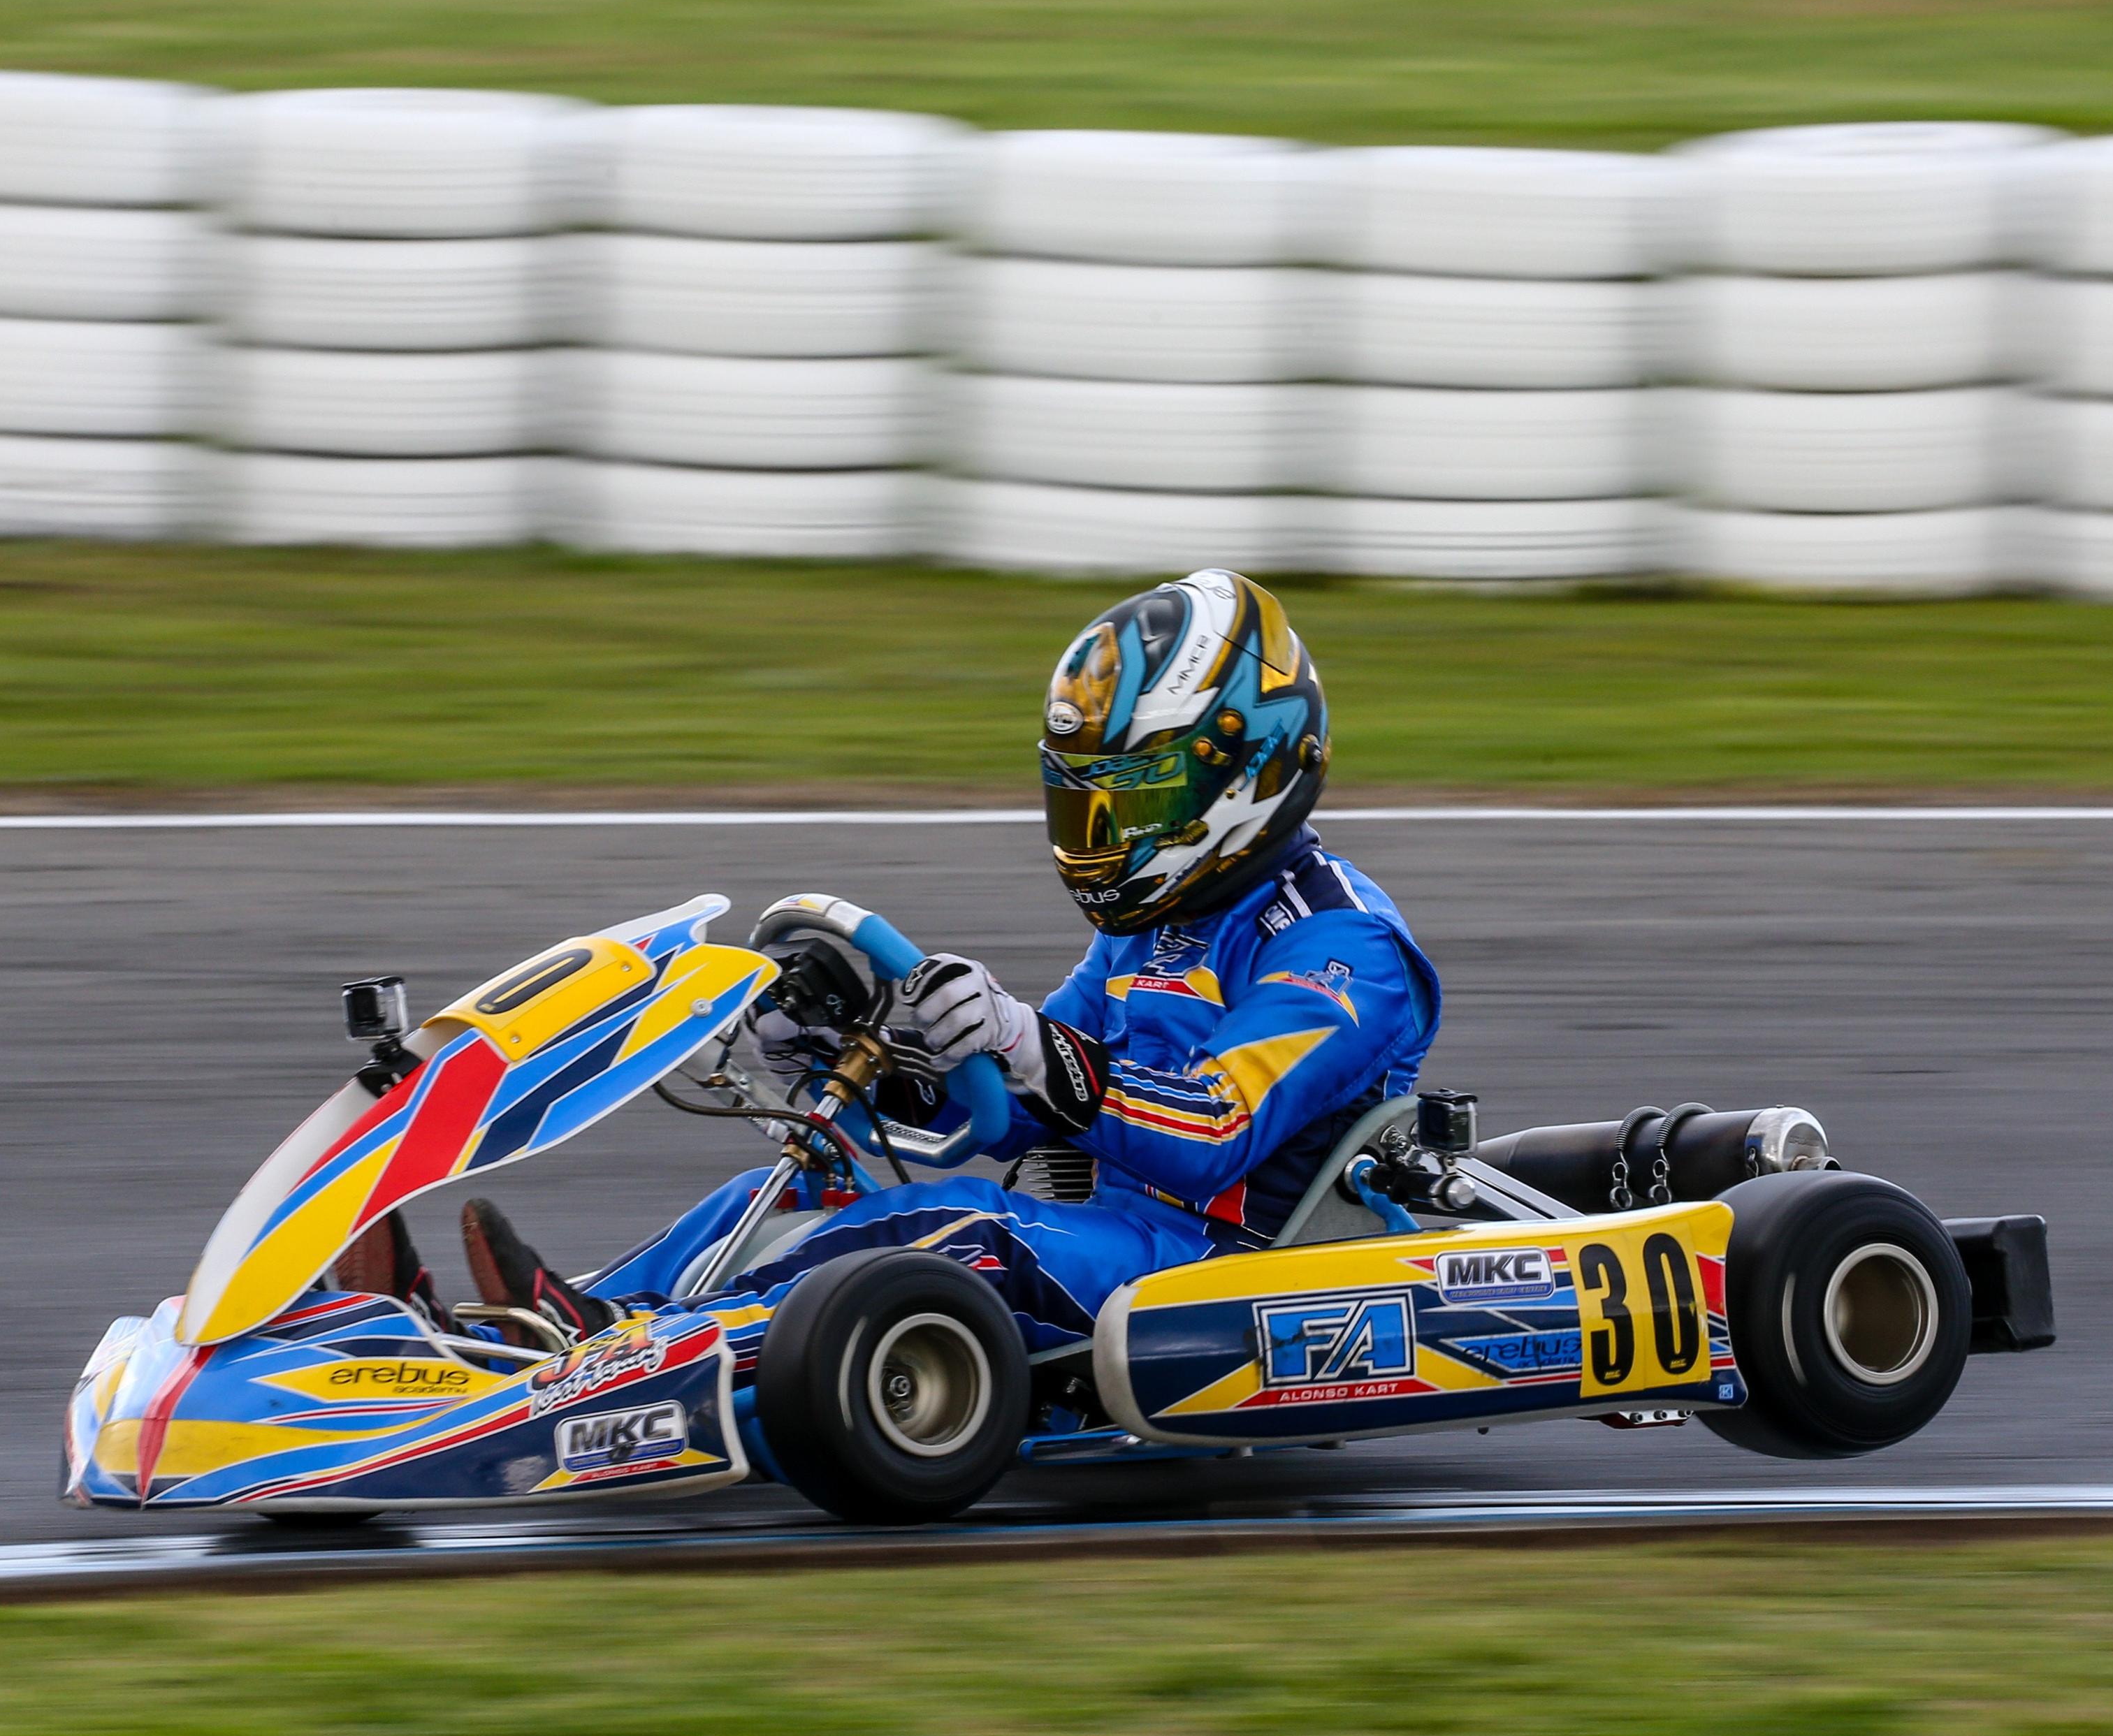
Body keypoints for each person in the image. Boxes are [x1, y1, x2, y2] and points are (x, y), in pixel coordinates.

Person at [348, 569, 1442, 1359]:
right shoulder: (1154, 927)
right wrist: (880, 1056)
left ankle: (604, 1353)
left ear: (1248, 766)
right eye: (1091, 798)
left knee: (942, 1233)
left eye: (1139, 800)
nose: (1108, 832)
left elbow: (1214, 1132)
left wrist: (1025, 1044)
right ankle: (520, 1337)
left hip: (1227, 1275)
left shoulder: (1342, 944)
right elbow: (1016, 1114)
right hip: (1112, 1236)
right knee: (790, 1197)